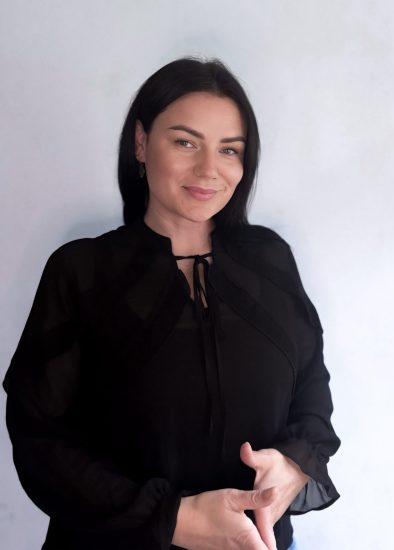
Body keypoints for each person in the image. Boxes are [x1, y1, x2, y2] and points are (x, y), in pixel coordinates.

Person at [3, 57, 340, 550]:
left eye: (229, 149)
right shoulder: (82, 271)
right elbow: (40, 440)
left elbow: (312, 389)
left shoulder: (270, 259)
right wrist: (173, 519)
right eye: (185, 142)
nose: (209, 169)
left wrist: (293, 464)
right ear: (141, 143)